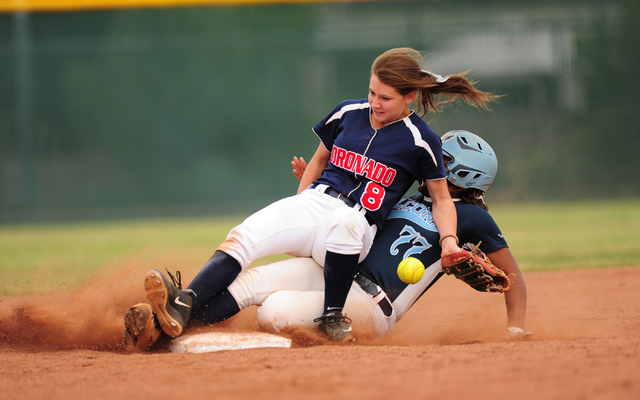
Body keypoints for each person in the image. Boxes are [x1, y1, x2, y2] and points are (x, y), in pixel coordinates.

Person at [138, 47, 498, 344]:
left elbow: (440, 199)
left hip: (355, 228)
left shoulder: (421, 140)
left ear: (409, 96)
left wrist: (450, 242)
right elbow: (320, 159)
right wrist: (299, 202)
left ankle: (332, 315)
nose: (375, 102)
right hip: (316, 204)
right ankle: (182, 308)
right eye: (372, 92)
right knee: (245, 233)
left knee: (344, 222)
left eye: (385, 97)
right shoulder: (347, 112)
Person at [123, 130, 530, 351]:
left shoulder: (473, 218)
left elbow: (513, 277)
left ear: (464, 175)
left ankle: (184, 331)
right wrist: (319, 183)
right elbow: (359, 208)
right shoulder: (409, 197)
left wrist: (514, 331)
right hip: (337, 273)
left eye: (443, 161)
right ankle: (168, 325)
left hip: (372, 305)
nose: (432, 164)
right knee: (250, 282)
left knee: (275, 312)